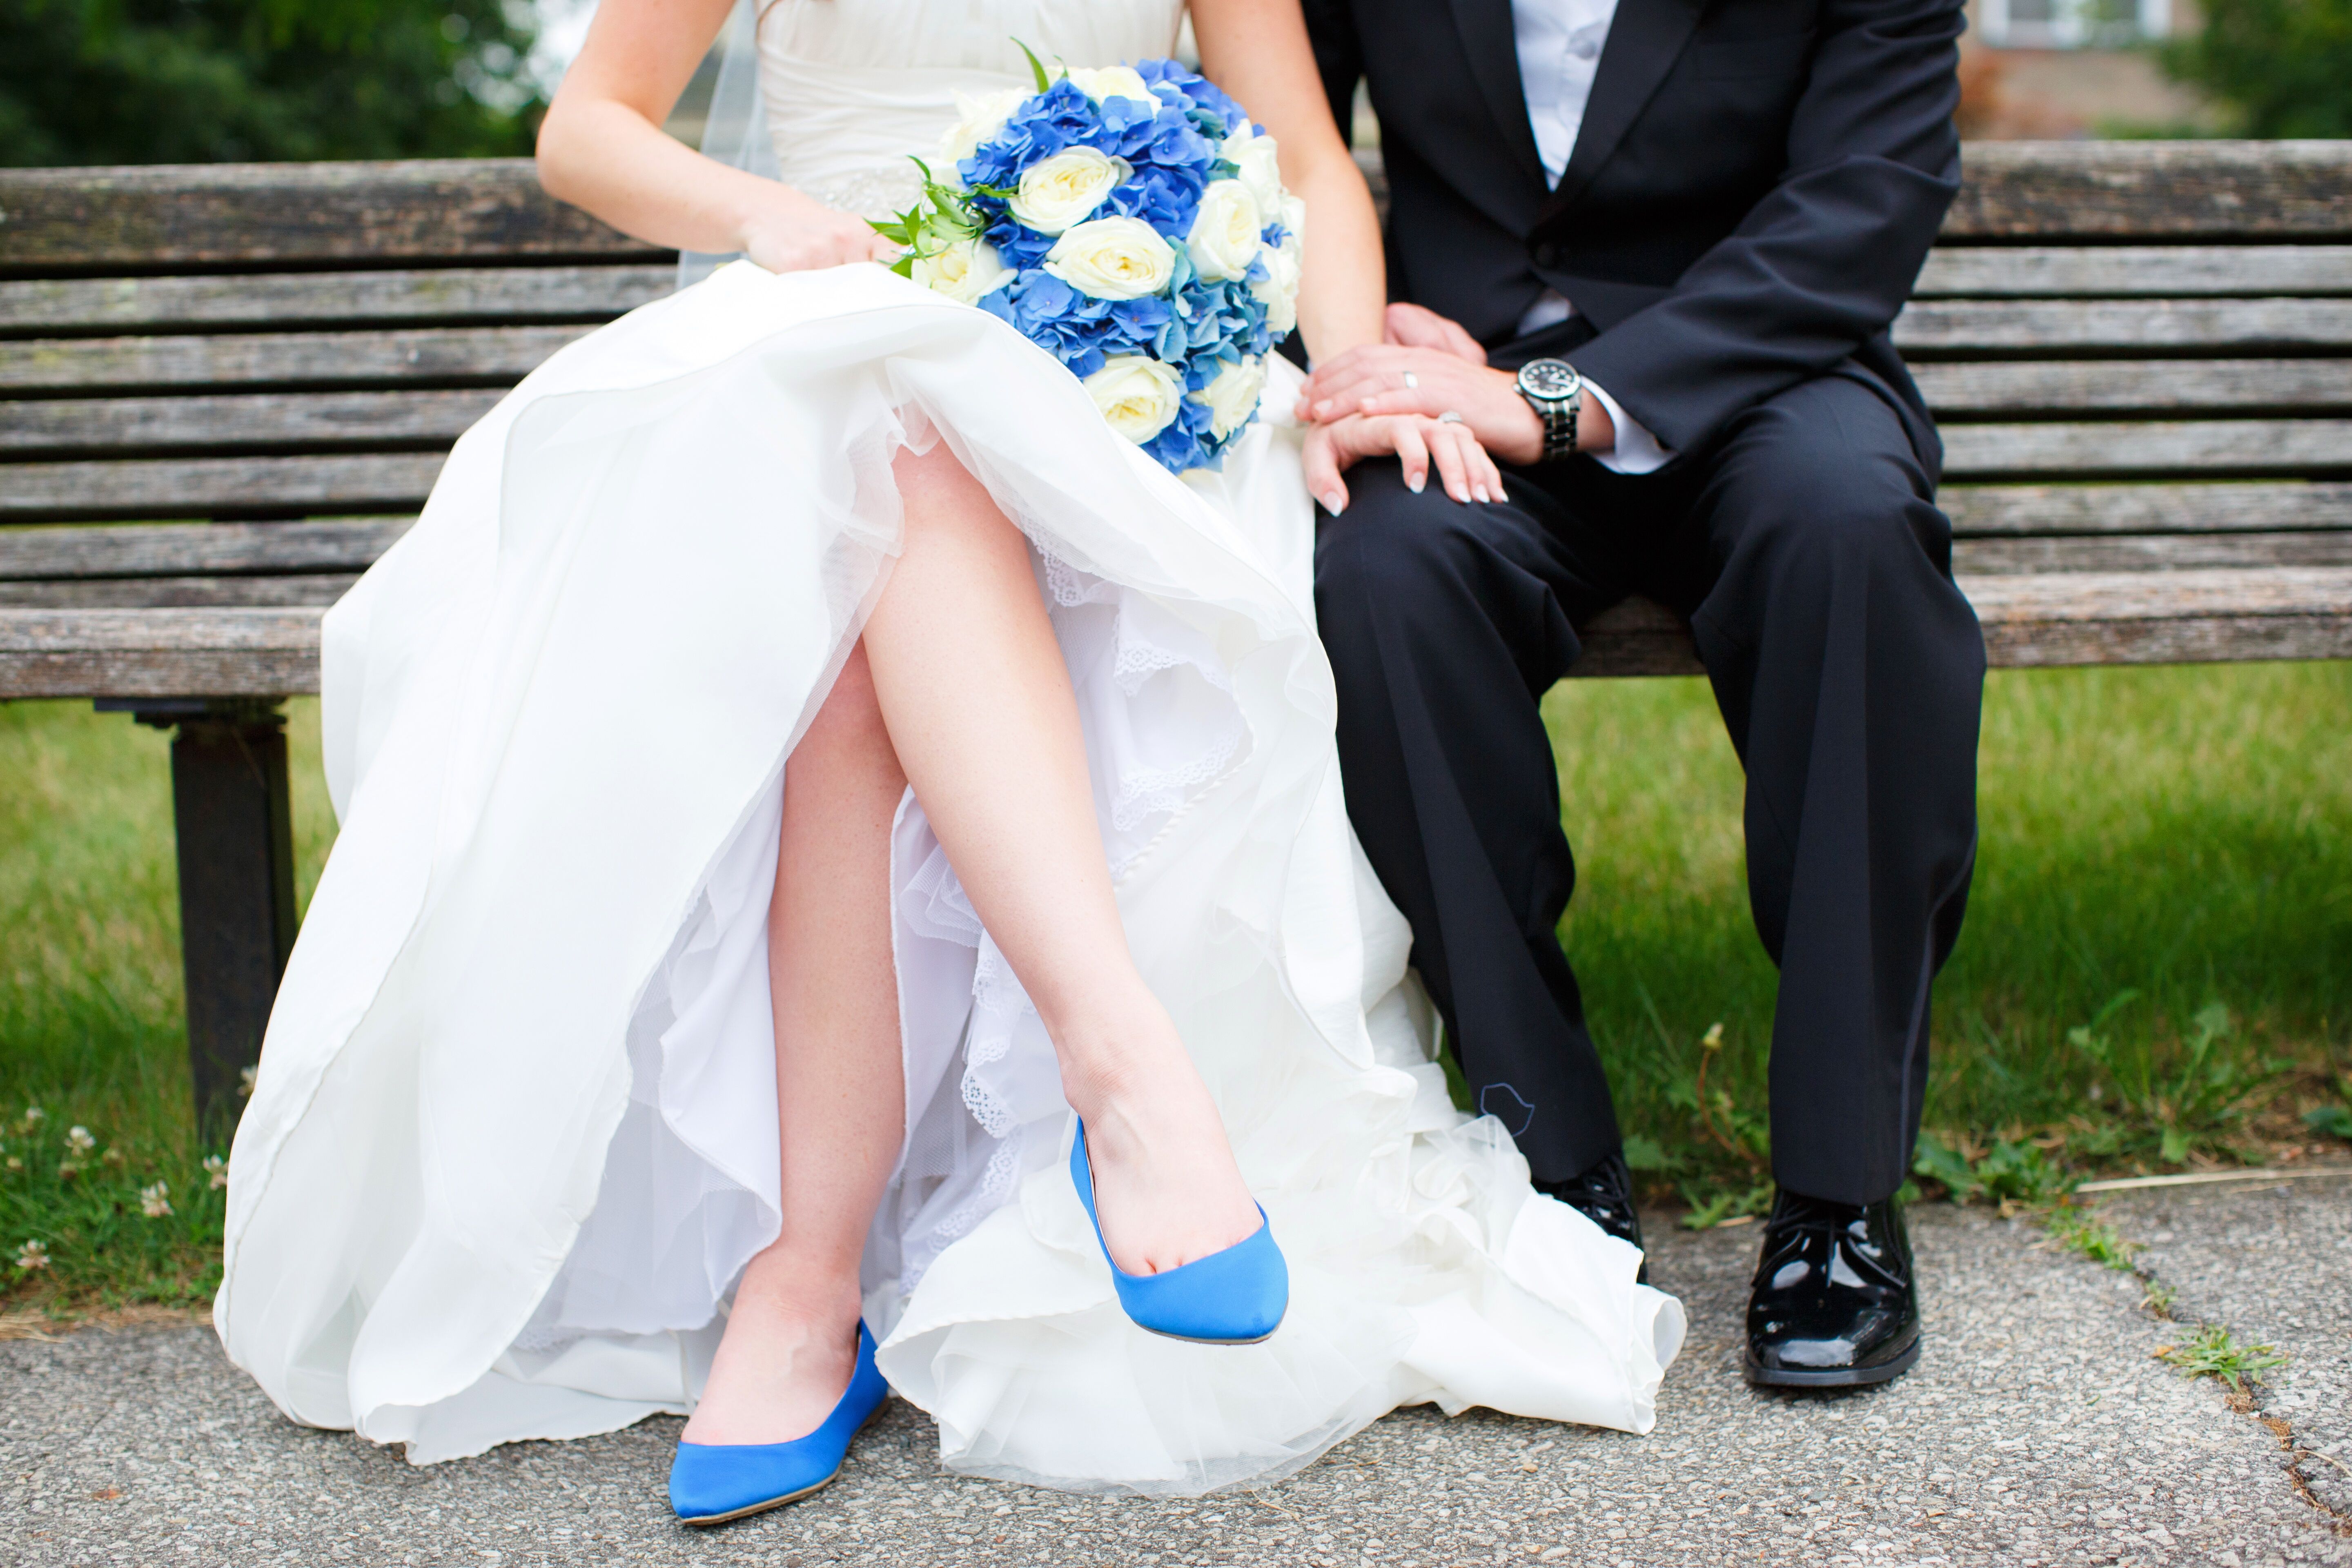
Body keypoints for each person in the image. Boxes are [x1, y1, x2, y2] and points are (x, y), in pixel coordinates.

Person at [214, 0, 1684, 1520]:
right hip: (833, 330)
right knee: (895, 453)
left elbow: (1306, 151)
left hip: (1124, 402)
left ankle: (810, 1284)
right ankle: (1119, 1076)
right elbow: (587, 125)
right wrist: (765, 218)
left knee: (879, 611)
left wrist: (1342, 371)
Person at [1294, 0, 1986, 1388]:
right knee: (1387, 576)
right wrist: (1357, 333)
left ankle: (1842, 1199)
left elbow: (1864, 204)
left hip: (1763, 385)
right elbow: (1273, 147)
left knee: (1850, 538)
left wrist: (1562, 400)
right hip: (1455, 380)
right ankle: (1548, 1162)